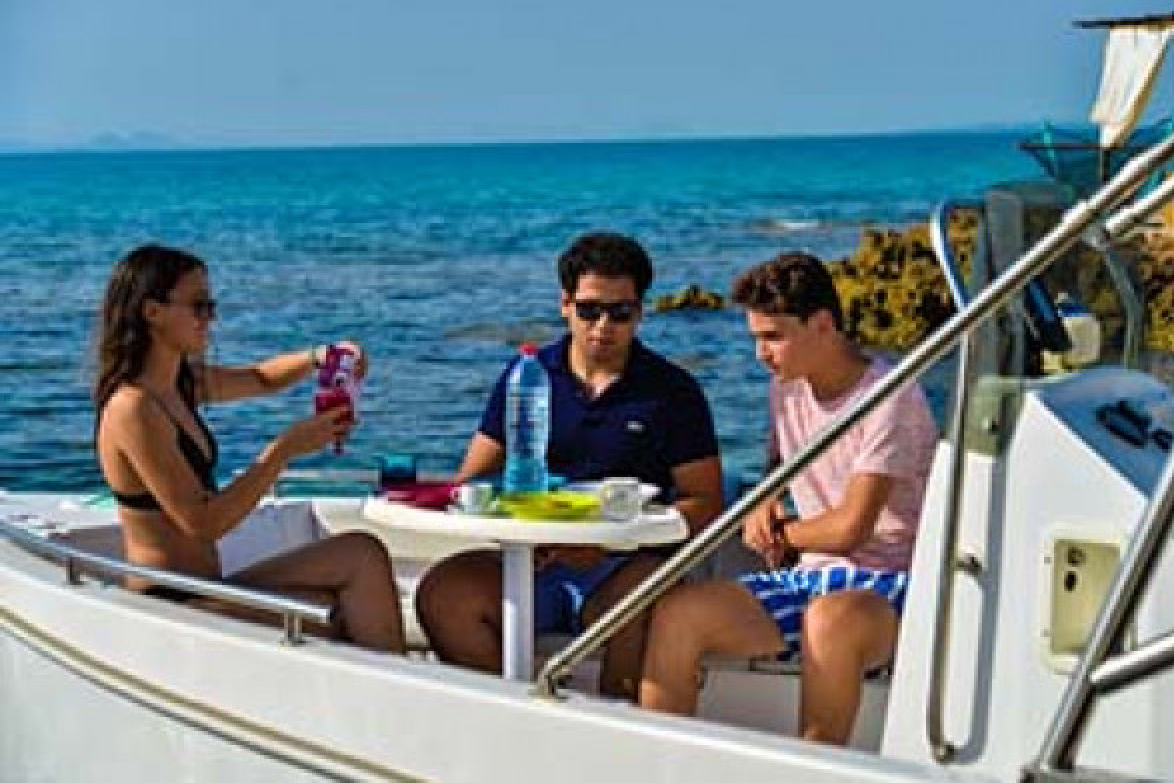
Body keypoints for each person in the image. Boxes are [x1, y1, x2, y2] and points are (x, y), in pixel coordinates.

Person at [639, 251, 937, 744]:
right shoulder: (787, 389)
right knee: (679, 612)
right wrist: (763, 504)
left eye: (773, 337)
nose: (761, 353)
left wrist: (778, 534)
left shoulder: (890, 395)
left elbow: (851, 528)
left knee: (828, 621)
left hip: (891, 583)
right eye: (756, 338)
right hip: (811, 576)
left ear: (822, 325)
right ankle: (660, 765)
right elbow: (776, 473)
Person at [416, 231, 724, 697]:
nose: (603, 325)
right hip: (532, 560)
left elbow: (705, 502)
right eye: (589, 310)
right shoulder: (526, 377)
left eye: (620, 312)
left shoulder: (673, 392)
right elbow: (473, 480)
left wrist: (612, 541)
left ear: (640, 312)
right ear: (565, 305)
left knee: (639, 601)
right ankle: (509, 719)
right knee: (444, 593)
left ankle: (613, 727)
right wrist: (530, 533)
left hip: (623, 565)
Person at [93, 243, 404, 653]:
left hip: (208, 588)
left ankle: (392, 679)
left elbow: (261, 378)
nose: (210, 318)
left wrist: (323, 356)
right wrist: (283, 451)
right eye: (199, 306)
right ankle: (394, 684)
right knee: (343, 612)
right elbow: (203, 522)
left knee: (361, 552)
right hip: (171, 600)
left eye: (211, 306)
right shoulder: (133, 409)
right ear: (153, 312)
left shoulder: (181, 385)